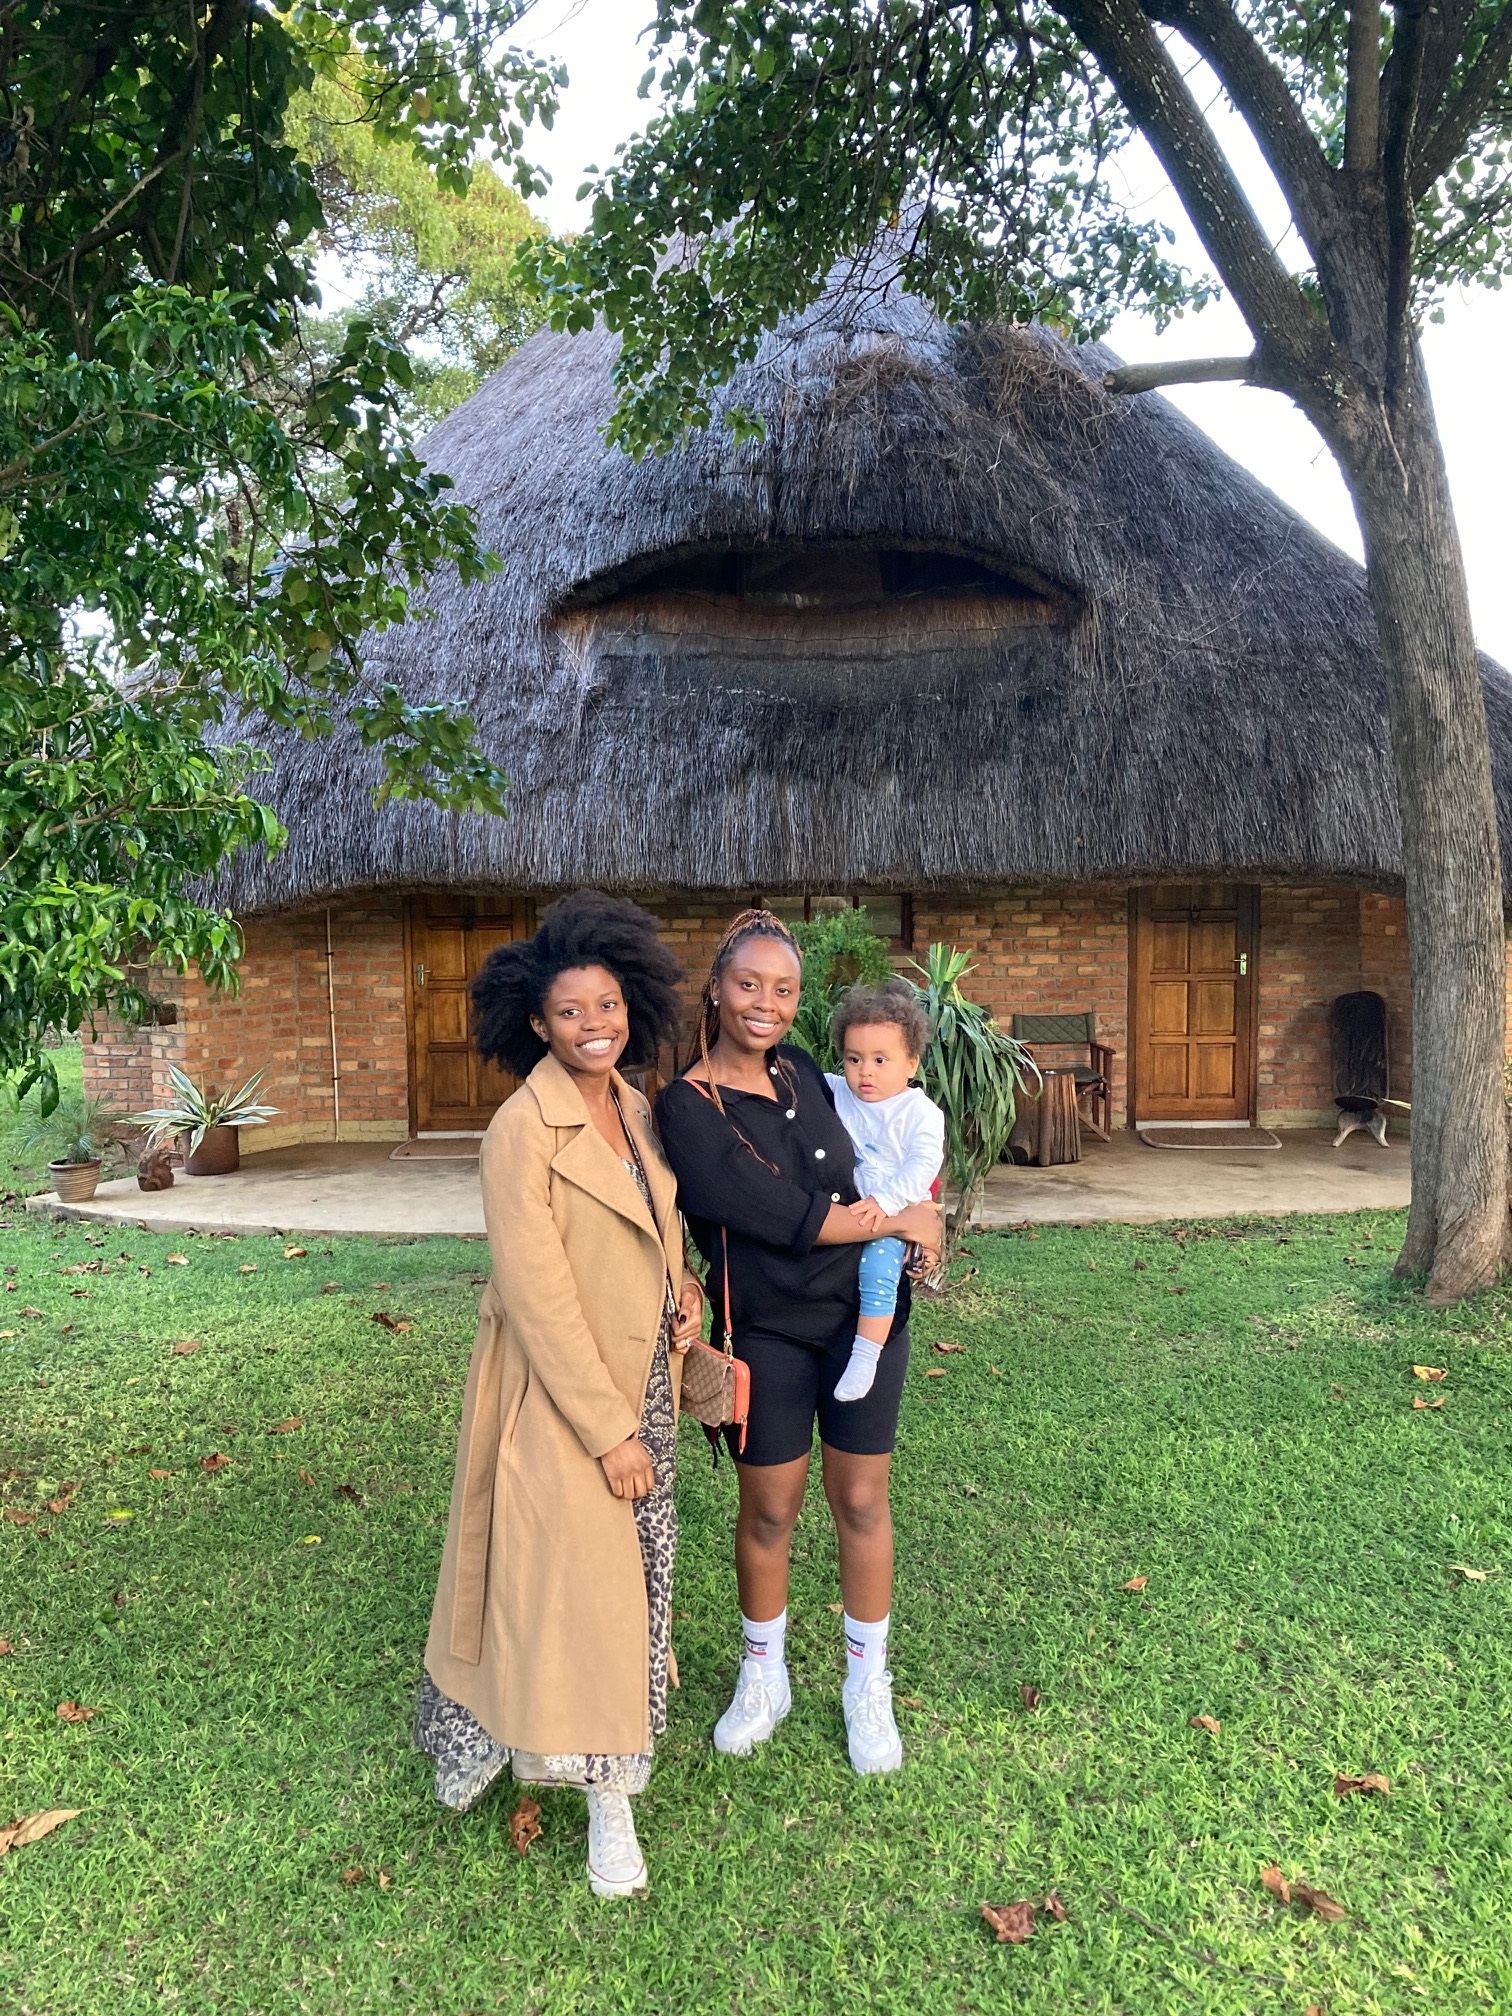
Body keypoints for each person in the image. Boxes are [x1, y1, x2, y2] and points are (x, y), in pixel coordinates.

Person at [415, 891, 704, 1900]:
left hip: (648, 1380)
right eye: (573, 1013)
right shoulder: (519, 1131)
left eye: (610, 1006)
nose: (596, 1026)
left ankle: (578, 1750)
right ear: (536, 1024)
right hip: (566, 1397)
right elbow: (538, 1298)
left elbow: (655, 1223)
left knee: (621, 1587)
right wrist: (610, 1430)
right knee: (571, 1597)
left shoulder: (631, 1105)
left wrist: (689, 1296)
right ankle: (605, 1815)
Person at [656, 910, 941, 1776]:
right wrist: (896, 1219)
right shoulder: (687, 1107)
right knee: (771, 1510)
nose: (766, 1004)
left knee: (860, 1501)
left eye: (784, 990)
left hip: (862, 1321)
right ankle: (763, 1676)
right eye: (749, 985)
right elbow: (776, 1213)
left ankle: (867, 1684)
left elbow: (885, 1161)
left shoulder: (809, 1073)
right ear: (717, 987)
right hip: (766, 1333)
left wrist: (927, 1218)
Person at [825, 979, 946, 1404]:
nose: (865, 1071)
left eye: (881, 1059)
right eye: (854, 1058)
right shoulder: (839, 1092)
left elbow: (922, 1166)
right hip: (850, 1212)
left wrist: (887, 1203)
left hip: (892, 1215)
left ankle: (866, 1353)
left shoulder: (920, 1114)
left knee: (877, 1272)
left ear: (911, 1062)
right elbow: (797, 1080)